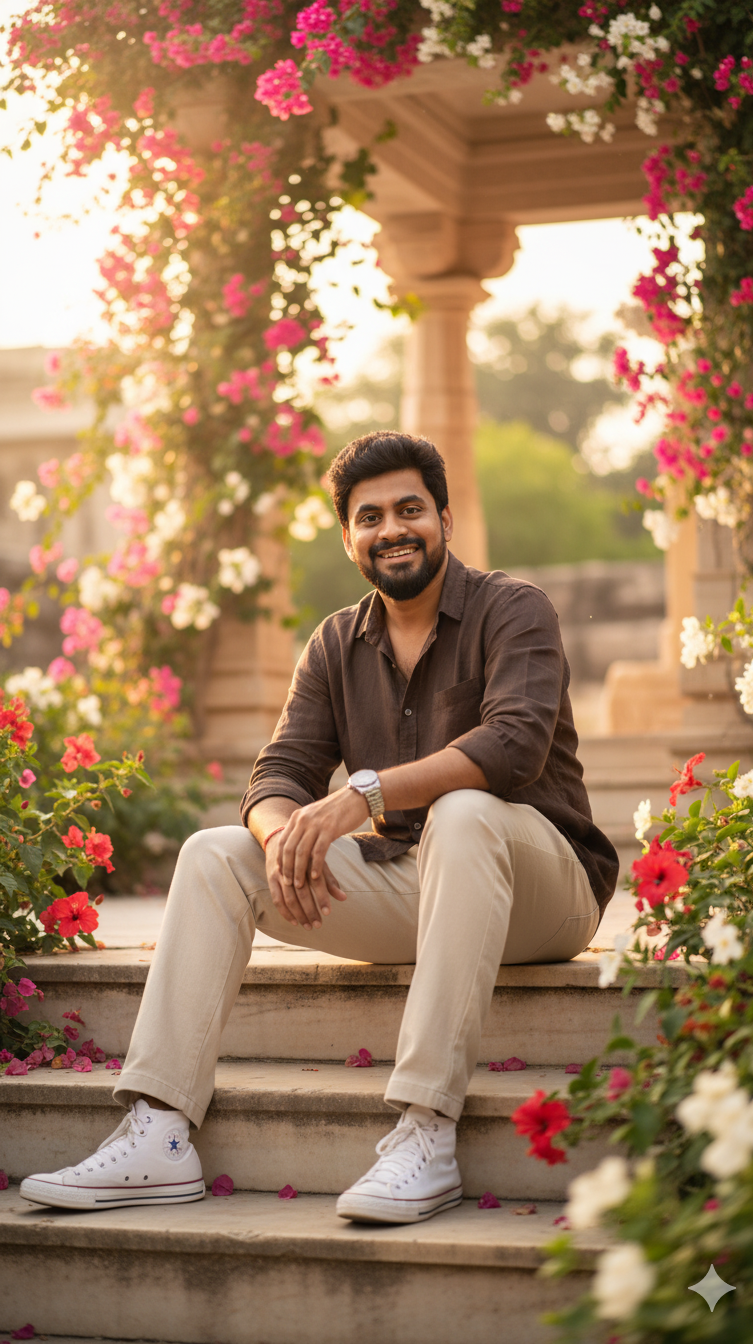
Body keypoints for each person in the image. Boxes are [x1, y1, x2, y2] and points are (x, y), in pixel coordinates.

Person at [21, 430, 618, 1223]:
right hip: (420, 887)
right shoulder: (336, 642)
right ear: (348, 539)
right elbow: (279, 776)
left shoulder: (514, 610)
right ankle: (160, 1133)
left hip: (544, 888)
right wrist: (285, 840)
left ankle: (425, 1131)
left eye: (411, 509)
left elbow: (512, 746)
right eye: (369, 517)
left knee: (465, 812)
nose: (392, 529)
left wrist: (361, 795)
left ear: (444, 517)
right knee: (215, 853)